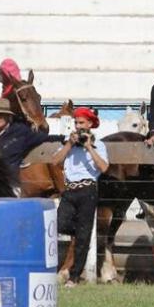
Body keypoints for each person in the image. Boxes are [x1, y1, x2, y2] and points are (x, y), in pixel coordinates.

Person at [53, 107, 109, 287]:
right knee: (60, 223)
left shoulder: (98, 144)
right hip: (70, 190)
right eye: (76, 123)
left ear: (90, 124)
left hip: (88, 189)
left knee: (84, 237)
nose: (78, 126)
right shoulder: (68, 142)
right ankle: (79, 231)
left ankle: (74, 276)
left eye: (82, 123)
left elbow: (104, 167)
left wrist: (89, 147)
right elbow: (55, 161)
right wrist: (69, 144)